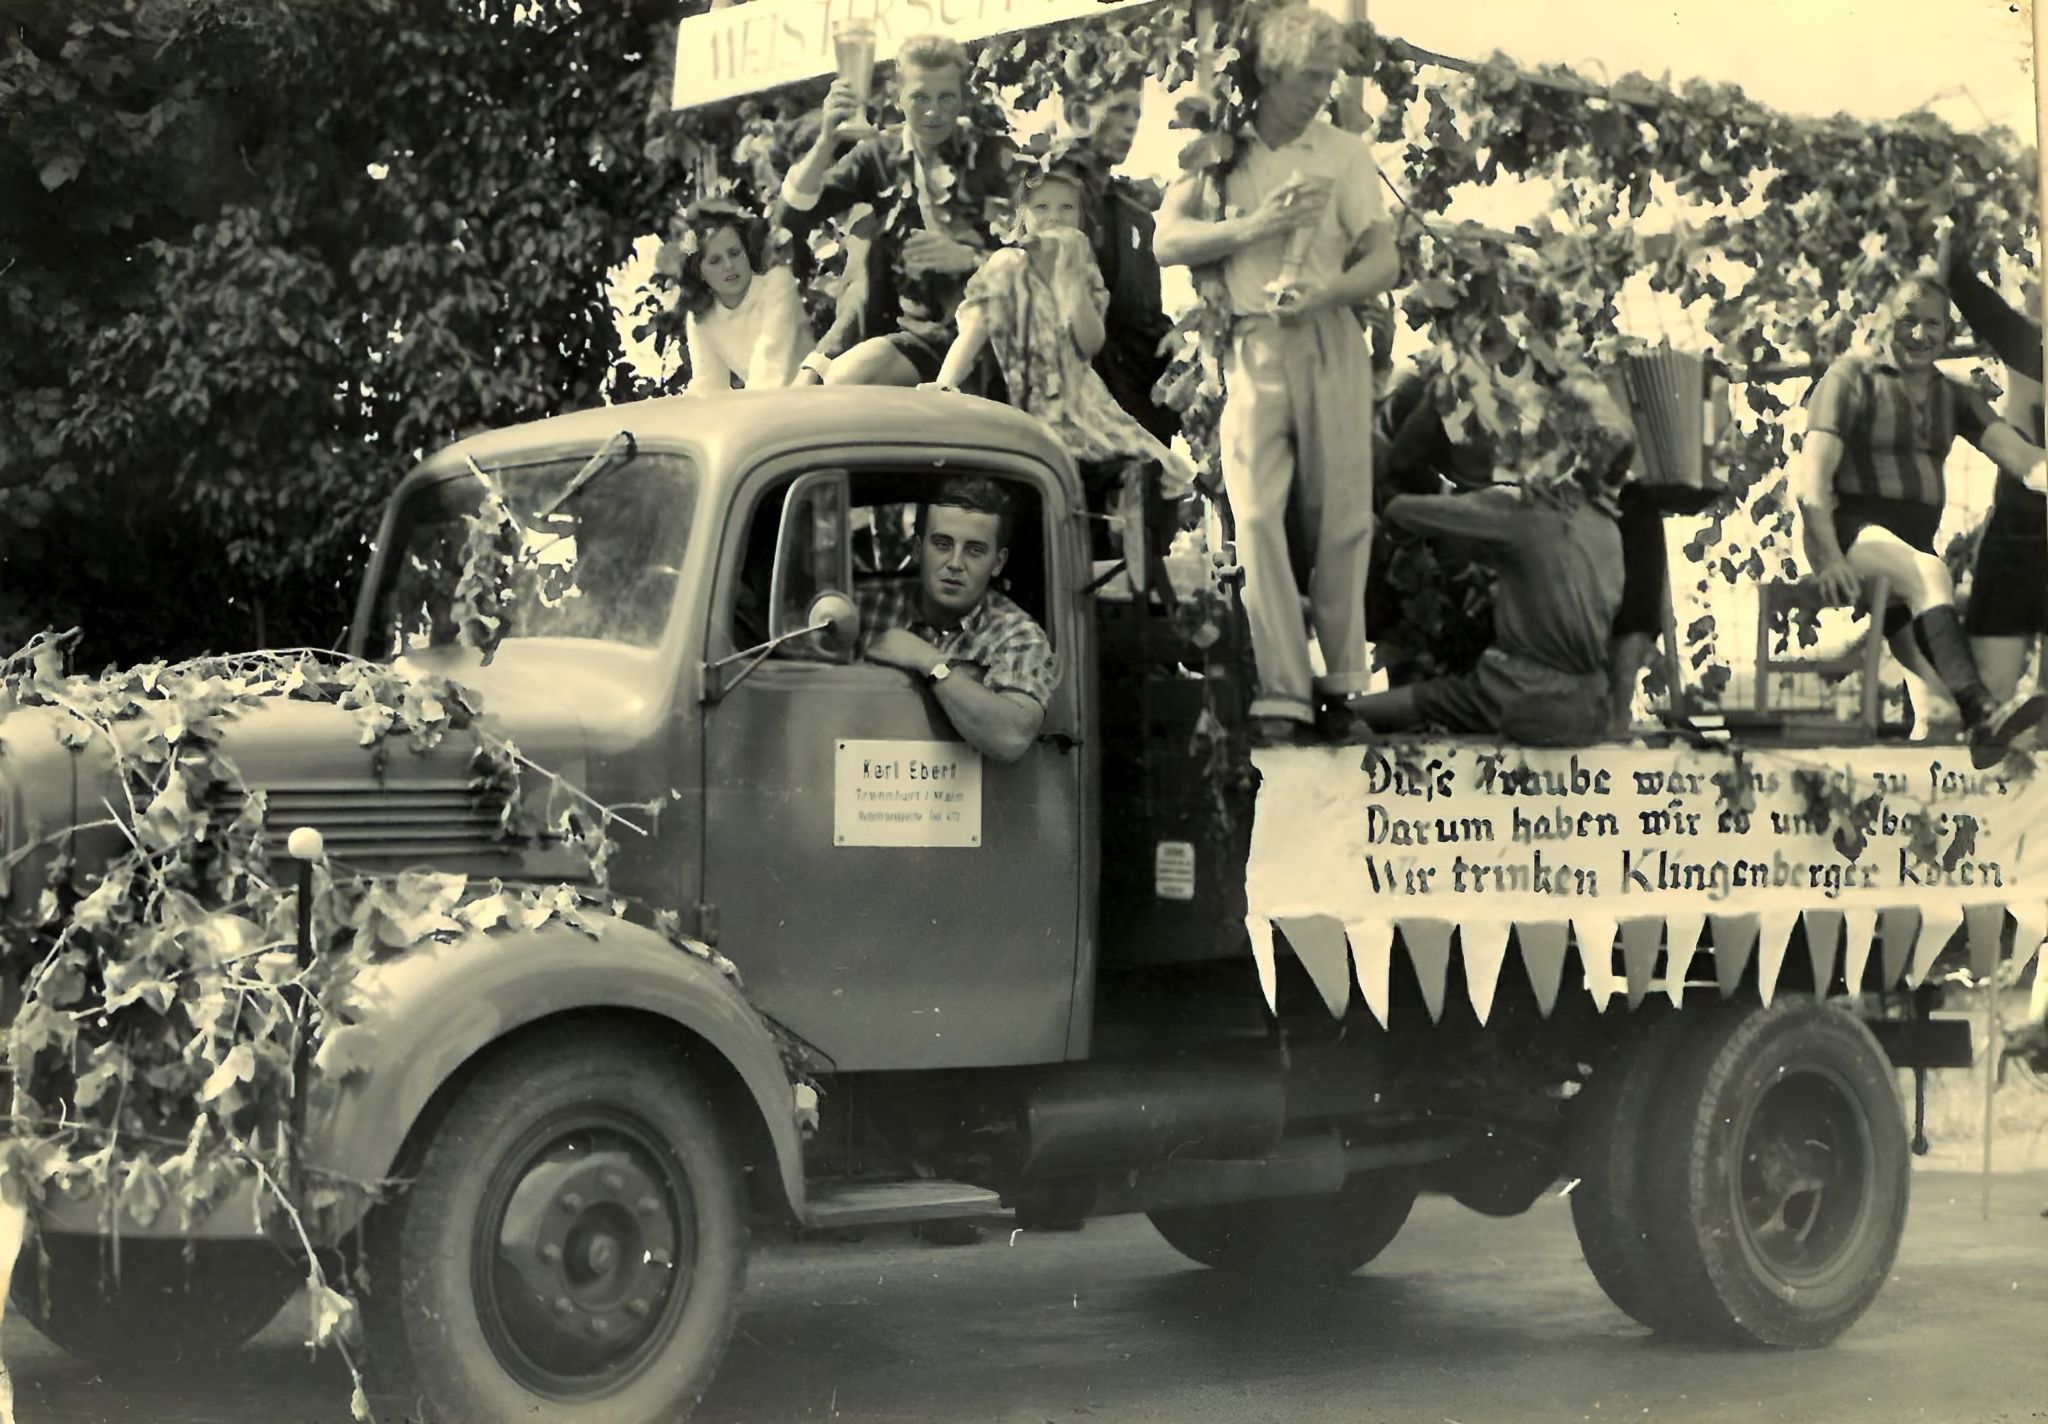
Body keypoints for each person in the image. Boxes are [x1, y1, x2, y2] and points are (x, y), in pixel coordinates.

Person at [1153, 4, 1399, 744]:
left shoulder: (1343, 152)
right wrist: (1253, 229)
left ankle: (1344, 683)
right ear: (1269, 73)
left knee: (1342, 515)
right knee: (1256, 513)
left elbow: (1386, 259)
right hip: (1254, 342)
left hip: (1327, 334)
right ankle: (1285, 688)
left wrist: (1331, 290)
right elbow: (1167, 240)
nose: (1321, 92)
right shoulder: (1223, 154)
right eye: (1309, 78)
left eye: (1329, 79)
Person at [1793, 272, 2048, 767]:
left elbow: (2022, 458)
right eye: (1908, 321)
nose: (1920, 334)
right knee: (1930, 574)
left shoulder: (1953, 395)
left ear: (1947, 335)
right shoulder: (1850, 378)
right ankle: (1984, 715)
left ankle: (1959, 738)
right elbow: (1811, 481)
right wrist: (1826, 557)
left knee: (1937, 702)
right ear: (1883, 321)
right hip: (1852, 533)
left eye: (1933, 325)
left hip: (1912, 548)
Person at [1345, 376, 1631, 745]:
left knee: (1363, 713)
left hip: (1520, 696)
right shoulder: (1607, 526)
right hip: (1587, 708)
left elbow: (1401, 510)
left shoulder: (1520, 510)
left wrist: (1408, 525)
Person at [928, 159, 1194, 524]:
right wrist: (946, 382)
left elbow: (1089, 343)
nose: (1055, 216)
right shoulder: (1006, 265)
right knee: (1055, 476)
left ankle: (1129, 536)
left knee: (1152, 469)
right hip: (1032, 400)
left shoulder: (1083, 268)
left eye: (1066, 208)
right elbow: (974, 329)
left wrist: (1071, 280)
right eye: (1042, 207)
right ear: (1022, 218)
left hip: (1083, 397)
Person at [778, 35, 1011, 388]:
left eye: (946, 97)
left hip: (992, 335)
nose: (933, 111)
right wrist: (827, 139)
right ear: (899, 98)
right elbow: (793, 212)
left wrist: (973, 259)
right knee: (844, 377)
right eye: (920, 97)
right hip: (920, 341)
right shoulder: (878, 156)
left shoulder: (997, 156)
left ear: (962, 98)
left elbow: (1046, 250)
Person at [859, 476, 1058, 763]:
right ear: (917, 550)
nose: (955, 563)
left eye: (974, 550)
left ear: (998, 563)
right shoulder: (866, 603)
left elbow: (1011, 738)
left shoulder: (1017, 633)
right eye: (942, 544)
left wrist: (927, 660)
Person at [1946, 251, 2046, 708]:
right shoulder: (2028, 342)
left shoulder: (2030, 342)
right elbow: (1965, 288)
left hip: (2021, 526)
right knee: (1994, 685)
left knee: (1993, 686)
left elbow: (1963, 284)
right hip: (2020, 524)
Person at [1061, 77, 1178, 444]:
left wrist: (1170, 334)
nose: (1130, 123)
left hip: (1130, 383)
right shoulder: (1050, 193)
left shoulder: (1133, 214)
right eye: (1118, 109)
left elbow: (1143, 311)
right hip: (1076, 387)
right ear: (1077, 114)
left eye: (1136, 112)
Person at [678, 205, 815, 391]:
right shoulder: (702, 317)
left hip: (812, 398)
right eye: (715, 261)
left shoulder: (777, 284)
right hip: (765, 405)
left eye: (734, 254)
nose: (729, 266)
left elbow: (771, 368)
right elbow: (708, 386)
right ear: (700, 271)